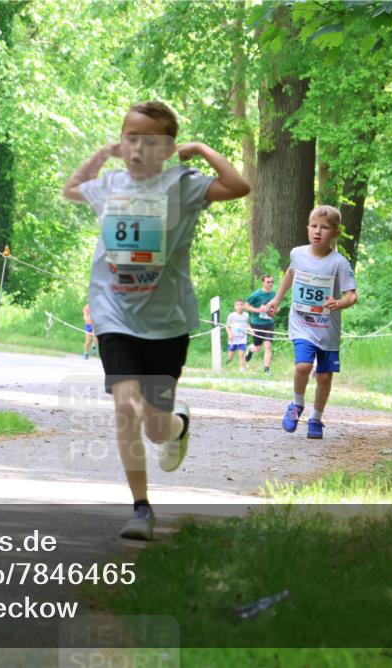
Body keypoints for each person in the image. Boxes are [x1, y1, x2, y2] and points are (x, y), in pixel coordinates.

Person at [63, 100, 250, 540]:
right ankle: (142, 508)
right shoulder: (109, 185)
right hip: (114, 313)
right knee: (127, 407)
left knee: (155, 423)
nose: (136, 148)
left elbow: (239, 186)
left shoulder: (182, 185)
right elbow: (72, 187)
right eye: (130, 137)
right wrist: (100, 155)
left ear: (167, 148)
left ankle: (177, 426)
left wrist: (201, 148)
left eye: (149, 141)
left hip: (166, 321)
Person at [266, 205, 357, 440]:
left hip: (327, 329)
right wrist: (277, 298)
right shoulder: (298, 253)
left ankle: (316, 418)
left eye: (324, 228)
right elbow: (290, 273)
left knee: (325, 377)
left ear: (335, 233)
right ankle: (296, 405)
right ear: (307, 228)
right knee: (303, 366)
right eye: (314, 226)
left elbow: (352, 295)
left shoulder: (339, 263)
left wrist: (339, 303)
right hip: (302, 323)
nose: (318, 231)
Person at [243, 274, 276, 373]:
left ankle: (267, 369)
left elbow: (277, 307)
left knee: (268, 345)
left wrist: (274, 310)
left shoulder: (274, 294)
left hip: (269, 323)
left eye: (272, 282)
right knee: (257, 347)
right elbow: (246, 306)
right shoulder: (256, 295)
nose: (270, 284)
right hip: (257, 323)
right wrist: (257, 310)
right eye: (268, 282)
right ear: (263, 283)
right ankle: (250, 350)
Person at [225, 300, 250, 371]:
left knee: (241, 353)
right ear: (235, 307)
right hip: (233, 338)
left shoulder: (246, 315)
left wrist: (251, 331)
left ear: (244, 306)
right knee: (231, 355)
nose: (240, 306)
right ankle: (229, 360)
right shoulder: (231, 315)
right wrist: (229, 334)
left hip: (242, 338)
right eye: (238, 305)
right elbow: (227, 326)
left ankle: (241, 368)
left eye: (241, 304)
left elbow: (247, 324)